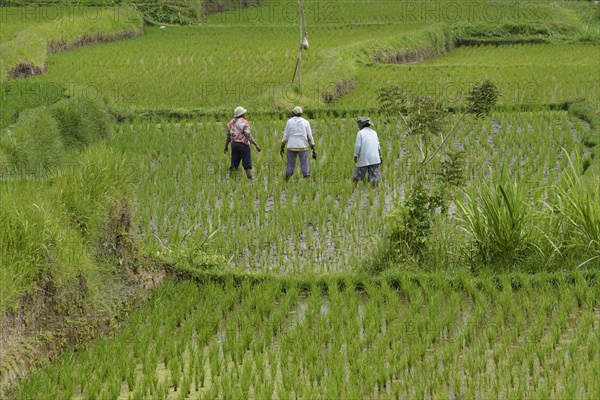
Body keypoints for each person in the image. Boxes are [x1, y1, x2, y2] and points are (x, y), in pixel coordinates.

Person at [224, 106, 261, 180]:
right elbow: (247, 135)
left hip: (234, 144)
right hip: (243, 144)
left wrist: (226, 146)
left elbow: (228, 136)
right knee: (247, 164)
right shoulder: (244, 122)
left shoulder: (231, 122)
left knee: (234, 163)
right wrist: (255, 144)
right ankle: (250, 179)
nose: (245, 114)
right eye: (244, 113)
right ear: (242, 114)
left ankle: (229, 179)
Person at [280, 106, 316, 179]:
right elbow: (310, 137)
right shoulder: (306, 122)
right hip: (302, 146)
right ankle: (307, 178)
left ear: (293, 113)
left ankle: (287, 179)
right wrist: (313, 149)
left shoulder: (289, 121)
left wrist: (282, 147)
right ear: (301, 114)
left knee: (290, 164)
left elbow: (285, 137)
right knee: (304, 163)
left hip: (291, 146)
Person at [353, 116, 382, 186]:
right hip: (375, 157)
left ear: (361, 125)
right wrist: (380, 155)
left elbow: (358, 146)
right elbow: (378, 146)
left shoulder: (360, 133)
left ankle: (353, 188)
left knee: (357, 176)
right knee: (374, 178)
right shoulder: (374, 132)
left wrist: (355, 155)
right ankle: (374, 191)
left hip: (364, 157)